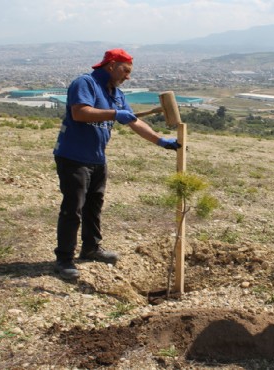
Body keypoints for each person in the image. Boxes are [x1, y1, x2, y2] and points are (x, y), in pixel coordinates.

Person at [52, 48, 180, 280]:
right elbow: (80, 113)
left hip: (97, 157)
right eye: (125, 70)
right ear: (111, 65)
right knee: (73, 208)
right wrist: (113, 114)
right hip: (73, 156)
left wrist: (161, 141)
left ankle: (91, 248)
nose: (128, 76)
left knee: (94, 205)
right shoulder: (86, 83)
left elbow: (134, 122)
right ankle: (64, 259)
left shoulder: (116, 93)